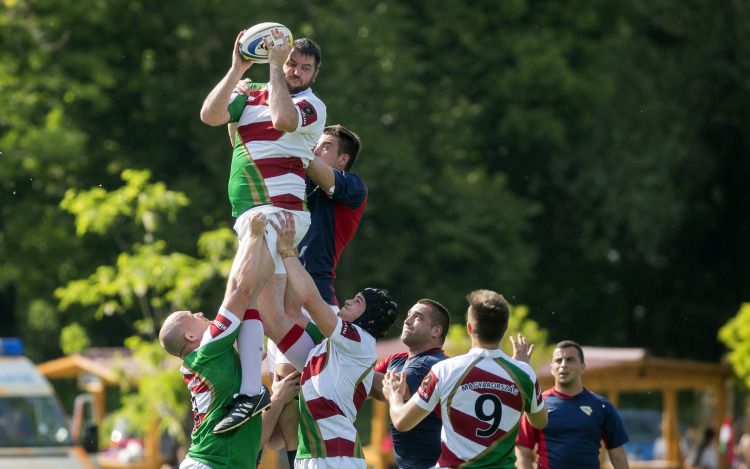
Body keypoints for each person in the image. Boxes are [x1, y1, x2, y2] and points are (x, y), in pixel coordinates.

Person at [199, 26, 327, 434]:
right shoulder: (251, 89)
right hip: (253, 213)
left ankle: (247, 387)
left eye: (303, 68)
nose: (295, 71)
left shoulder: (310, 103)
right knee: (271, 313)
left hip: (278, 211)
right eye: (291, 63)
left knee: (241, 289)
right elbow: (210, 115)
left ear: (313, 75)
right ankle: (325, 375)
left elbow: (282, 118)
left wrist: (272, 68)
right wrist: (238, 66)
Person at [159, 213, 298, 469]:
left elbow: (251, 300)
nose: (200, 313)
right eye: (192, 316)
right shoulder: (207, 350)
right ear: (190, 337)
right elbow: (240, 290)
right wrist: (255, 236)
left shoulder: (211, 361)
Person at [266, 211, 398, 468]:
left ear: (368, 319)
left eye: (357, 301)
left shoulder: (359, 339)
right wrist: (291, 244)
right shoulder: (331, 344)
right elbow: (292, 311)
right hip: (315, 456)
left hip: (335, 457)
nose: (348, 300)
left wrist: (286, 250)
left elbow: (310, 301)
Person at [383, 290, 548, 469]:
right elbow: (540, 422)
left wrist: (394, 396)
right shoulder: (524, 374)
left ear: (469, 328)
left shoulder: (444, 370)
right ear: (504, 328)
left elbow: (402, 422)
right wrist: (524, 370)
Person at [515, 340, 630, 469]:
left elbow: (618, 456)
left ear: (583, 367)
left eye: (570, 360)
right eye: (559, 360)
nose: (563, 365)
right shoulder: (538, 405)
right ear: (552, 368)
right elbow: (521, 454)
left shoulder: (602, 406)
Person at [369, 299, 450, 469]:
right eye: (408, 315)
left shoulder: (434, 363)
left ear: (436, 330)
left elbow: (395, 388)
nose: (407, 321)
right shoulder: (395, 360)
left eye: (418, 317)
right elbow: (365, 385)